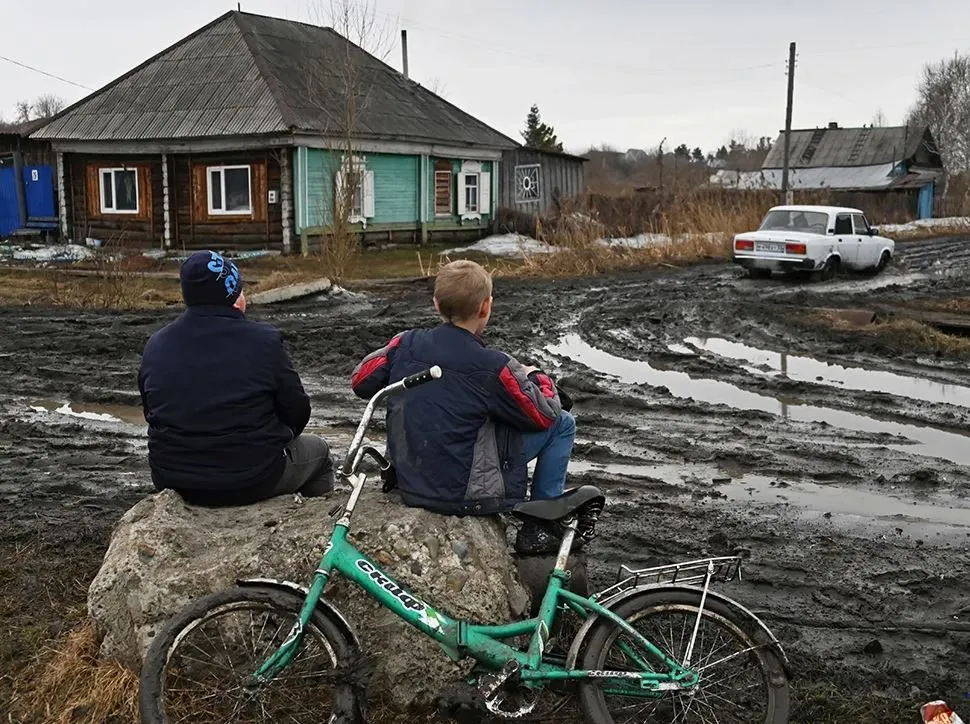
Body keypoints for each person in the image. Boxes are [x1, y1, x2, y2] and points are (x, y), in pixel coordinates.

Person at [350, 259, 576, 554]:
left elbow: (361, 380)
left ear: (436, 304)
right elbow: (543, 414)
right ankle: (541, 526)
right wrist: (536, 377)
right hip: (466, 496)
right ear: (486, 307)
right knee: (563, 424)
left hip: (408, 482)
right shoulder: (494, 366)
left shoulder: (404, 344)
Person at [138, 250, 334, 507]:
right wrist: (277, 437)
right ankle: (315, 525)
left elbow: (151, 410)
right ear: (233, 297)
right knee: (319, 452)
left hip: (172, 478)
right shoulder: (264, 342)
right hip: (251, 479)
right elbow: (297, 411)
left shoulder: (156, 344)